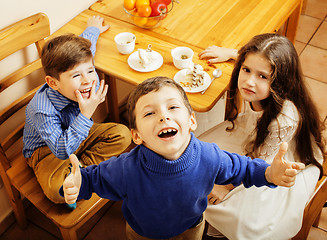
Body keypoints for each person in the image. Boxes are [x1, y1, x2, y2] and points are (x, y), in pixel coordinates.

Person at [62, 76, 305, 240]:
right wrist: (76, 184)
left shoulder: (210, 156)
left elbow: (243, 169)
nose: (163, 117)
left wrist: (269, 174)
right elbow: (93, 179)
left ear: (191, 121)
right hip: (142, 234)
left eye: (172, 107)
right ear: (136, 136)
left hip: (192, 228)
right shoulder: (126, 168)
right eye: (149, 112)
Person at [198, 33, 326, 239]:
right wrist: (231, 54)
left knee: (238, 216)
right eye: (246, 69)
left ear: (281, 81)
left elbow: (262, 163)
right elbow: (255, 59)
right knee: (198, 155)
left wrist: (227, 186)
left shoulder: (284, 119)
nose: (249, 82)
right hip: (254, 132)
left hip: (276, 159)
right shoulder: (260, 85)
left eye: (262, 76)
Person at [22, 16, 131, 205]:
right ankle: (74, 171)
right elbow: (61, 151)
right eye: (76, 75)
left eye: (90, 70)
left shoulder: (83, 68)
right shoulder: (41, 109)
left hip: (77, 134)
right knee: (58, 192)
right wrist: (86, 114)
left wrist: (93, 29)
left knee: (123, 134)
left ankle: (81, 171)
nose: (88, 80)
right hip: (48, 151)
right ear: (53, 83)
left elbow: (89, 48)